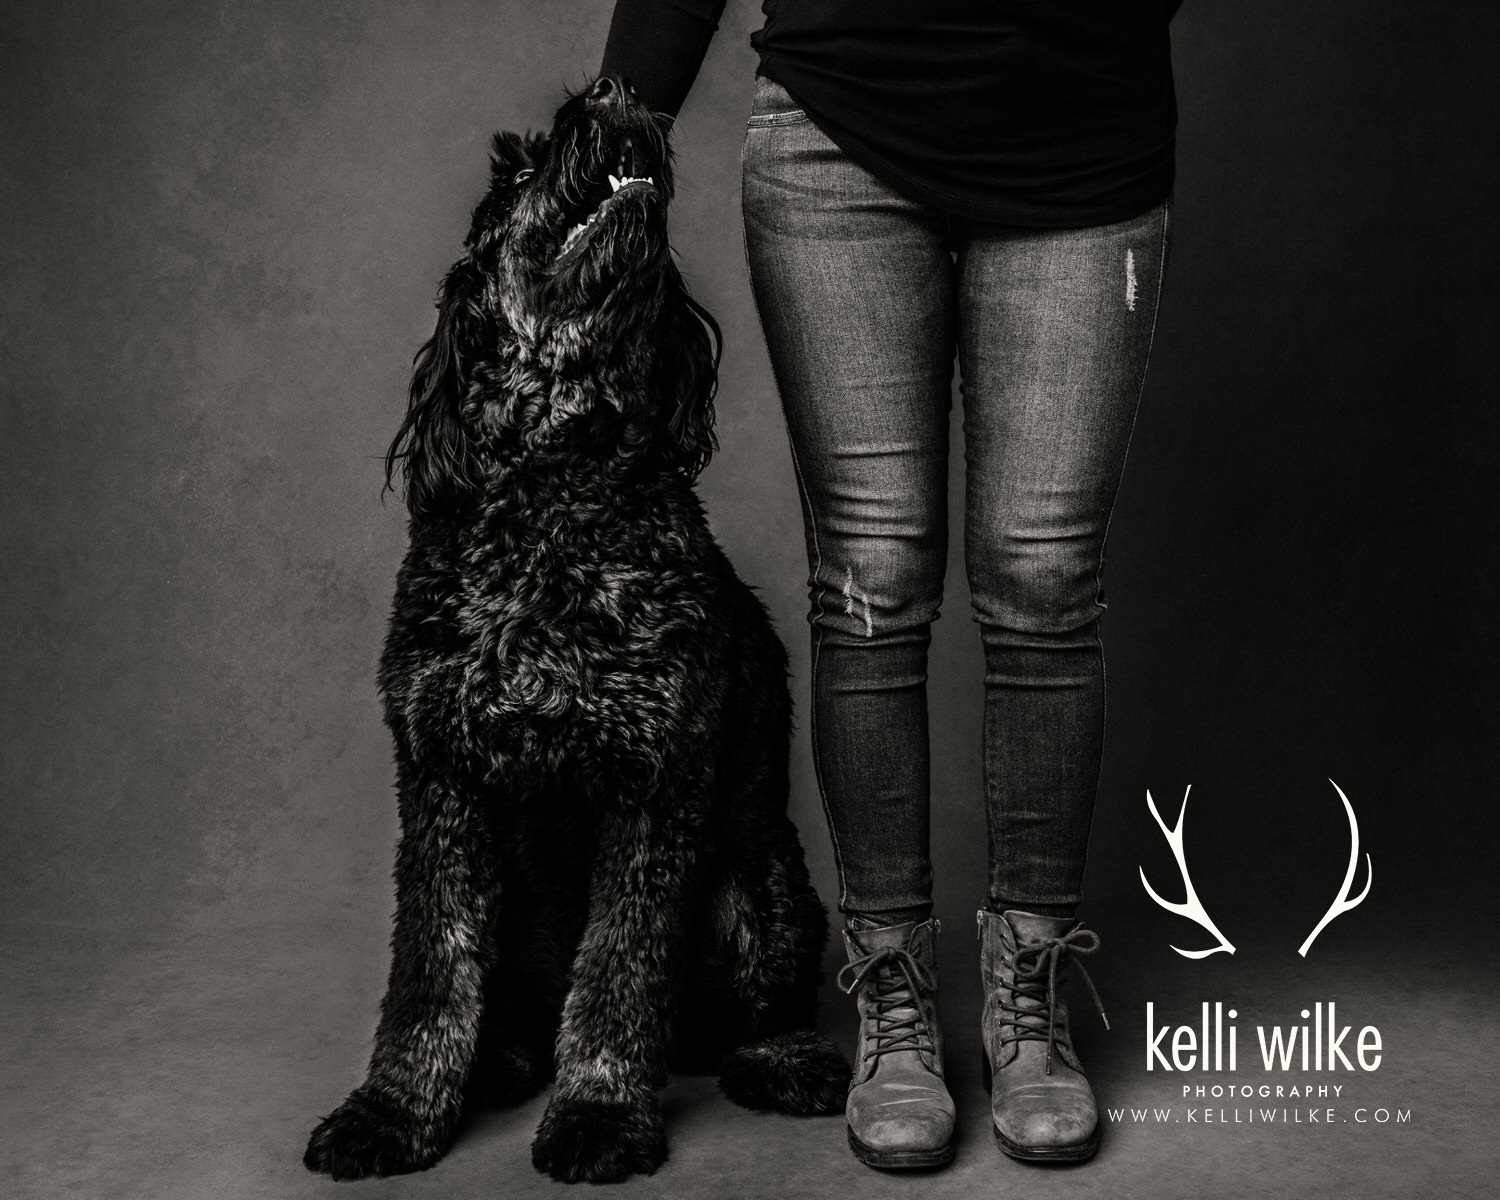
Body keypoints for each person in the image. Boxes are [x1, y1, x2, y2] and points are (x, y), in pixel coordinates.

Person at [601, 0, 1182, 1171]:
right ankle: (896, 999)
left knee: (1046, 576)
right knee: (871, 575)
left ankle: (1028, 993)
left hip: (1085, 142)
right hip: (838, 136)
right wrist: (621, 142)